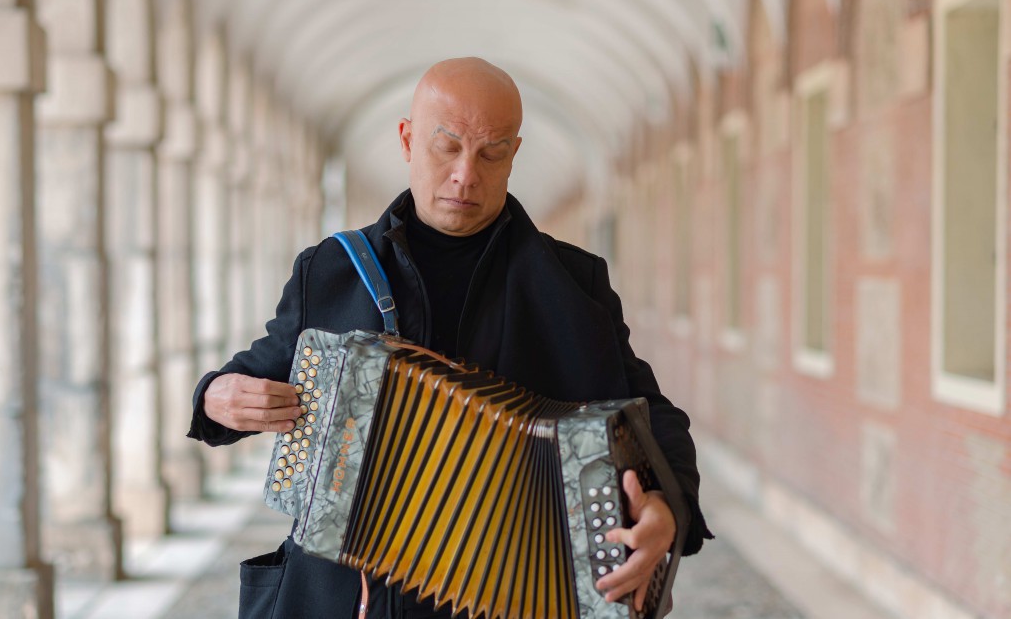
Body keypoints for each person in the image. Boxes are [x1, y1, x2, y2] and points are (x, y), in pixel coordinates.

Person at [188, 57, 711, 619]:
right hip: (348, 600)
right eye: (448, 146)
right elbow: (257, 371)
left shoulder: (574, 283)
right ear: (408, 140)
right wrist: (215, 396)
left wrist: (667, 508)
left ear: (514, 154)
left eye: (492, 153)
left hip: (518, 596)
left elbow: (651, 415)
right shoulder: (332, 270)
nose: (467, 174)